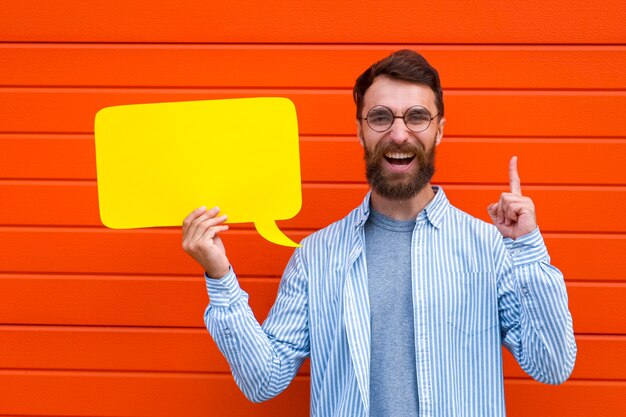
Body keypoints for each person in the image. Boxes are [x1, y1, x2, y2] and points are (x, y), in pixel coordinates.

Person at [182, 50, 576, 416]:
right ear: (360, 131)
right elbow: (263, 380)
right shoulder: (316, 256)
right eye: (381, 117)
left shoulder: (491, 248)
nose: (400, 134)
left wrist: (527, 248)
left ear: (439, 131)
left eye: (417, 116)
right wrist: (220, 278)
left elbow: (552, 365)